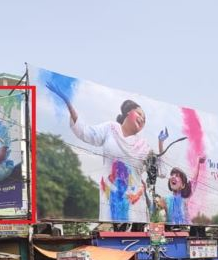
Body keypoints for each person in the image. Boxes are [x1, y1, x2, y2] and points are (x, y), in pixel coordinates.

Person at [47, 80, 151, 222]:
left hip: (135, 208)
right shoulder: (110, 128)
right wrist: (68, 102)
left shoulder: (144, 146)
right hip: (110, 201)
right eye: (139, 113)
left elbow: (158, 171)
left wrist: (161, 145)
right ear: (128, 112)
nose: (142, 119)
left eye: (144, 119)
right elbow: (84, 132)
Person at [155, 156, 204, 224]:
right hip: (171, 231)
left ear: (183, 185)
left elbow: (194, 179)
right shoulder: (166, 199)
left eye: (177, 176)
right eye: (172, 175)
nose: (173, 177)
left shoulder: (185, 197)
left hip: (185, 229)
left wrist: (198, 163)